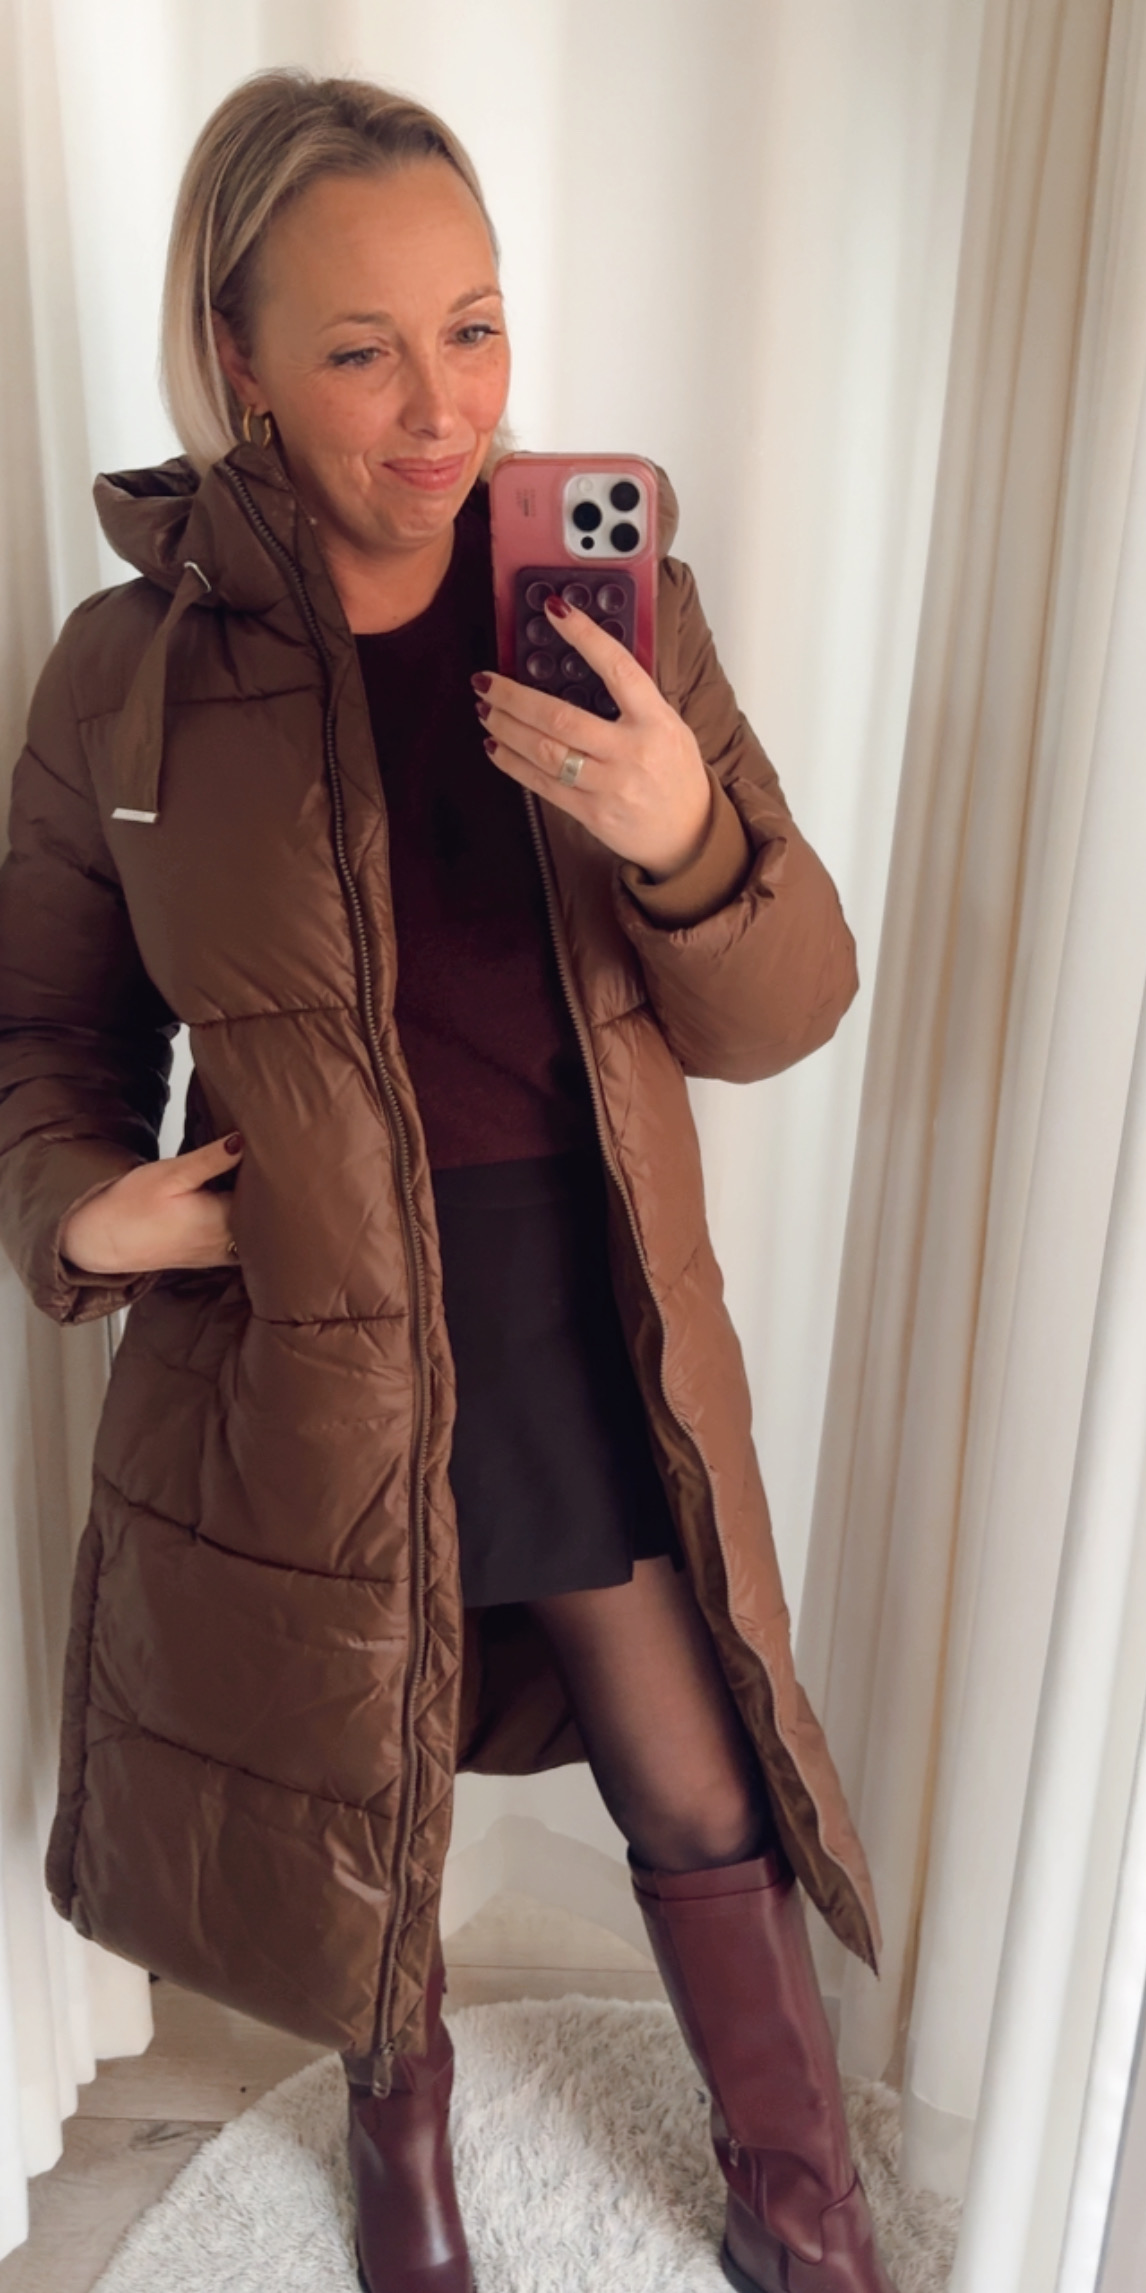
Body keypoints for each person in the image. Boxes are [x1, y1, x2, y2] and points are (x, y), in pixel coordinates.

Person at [0, 70, 893, 2293]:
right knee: (357, 1782)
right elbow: (44, 1031)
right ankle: (402, 2158)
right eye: (361, 349)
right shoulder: (126, 677)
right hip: (300, 1313)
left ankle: (799, 2194)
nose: (440, 406)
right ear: (236, 358)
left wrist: (684, 833)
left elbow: (785, 1005)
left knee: (694, 1771)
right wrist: (83, 1211)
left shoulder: (612, 610)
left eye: (474, 328)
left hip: (566, 1290)